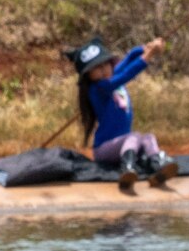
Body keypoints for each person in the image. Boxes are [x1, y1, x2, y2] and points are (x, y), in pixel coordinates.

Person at [66, 35, 176, 189]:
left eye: (105, 64)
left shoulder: (110, 76)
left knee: (148, 138)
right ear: (88, 75)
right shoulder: (99, 88)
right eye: (97, 68)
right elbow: (127, 74)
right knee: (134, 137)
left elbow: (128, 60)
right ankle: (127, 168)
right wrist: (148, 55)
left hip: (123, 145)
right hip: (104, 149)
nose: (103, 69)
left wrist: (145, 48)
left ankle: (158, 163)